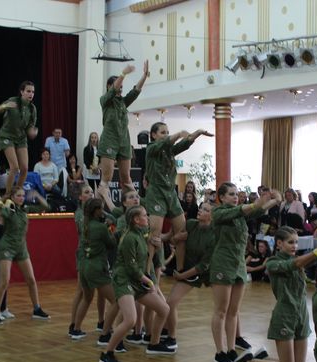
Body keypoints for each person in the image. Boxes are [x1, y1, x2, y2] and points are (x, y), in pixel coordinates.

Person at [236, 228, 317, 362]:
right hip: (285, 315)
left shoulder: (299, 260)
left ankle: (262, 357)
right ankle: (248, 361)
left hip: (301, 315)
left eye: (296, 242)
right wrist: (316, 252)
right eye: (291, 242)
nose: (295, 246)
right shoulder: (273, 263)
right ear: (279, 243)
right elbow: (295, 264)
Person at [210, 183, 281, 362]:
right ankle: (219, 351)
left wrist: (275, 200)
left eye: (236, 194)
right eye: (231, 194)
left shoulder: (241, 214)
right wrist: (258, 202)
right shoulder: (218, 212)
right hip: (223, 263)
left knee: (233, 311)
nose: (235, 197)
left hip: (239, 265)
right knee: (221, 311)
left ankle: (231, 349)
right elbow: (248, 208)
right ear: (222, 197)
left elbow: (258, 209)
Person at [98, 205, 173, 362]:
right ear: (136, 220)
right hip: (124, 280)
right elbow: (131, 268)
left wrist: (164, 238)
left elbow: (154, 236)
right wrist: (150, 282)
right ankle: (107, 353)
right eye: (145, 215)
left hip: (137, 280)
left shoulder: (141, 232)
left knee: (164, 309)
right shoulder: (129, 238)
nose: (148, 218)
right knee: (130, 320)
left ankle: (154, 344)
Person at [145, 123, 213, 277]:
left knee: (182, 233)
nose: (166, 135)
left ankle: (180, 270)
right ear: (153, 135)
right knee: (154, 234)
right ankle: (147, 271)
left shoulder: (169, 150)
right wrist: (178, 133)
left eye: (167, 132)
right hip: (156, 193)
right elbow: (167, 142)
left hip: (171, 193)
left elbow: (185, 144)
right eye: (163, 132)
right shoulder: (151, 149)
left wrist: (198, 132)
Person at [0, 187, 51, 325]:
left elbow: (45, 207)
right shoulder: (8, 208)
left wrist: (37, 195)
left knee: (31, 279)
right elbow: (0, 216)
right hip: (7, 247)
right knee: (4, 281)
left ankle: (37, 309)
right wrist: (5, 202)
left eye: (23, 195)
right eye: (18, 195)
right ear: (12, 197)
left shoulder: (25, 209)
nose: (22, 198)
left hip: (21, 247)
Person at [165, 202, 216, 351]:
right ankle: (171, 337)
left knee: (225, 308)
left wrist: (181, 276)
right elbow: (172, 241)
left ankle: (237, 338)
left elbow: (203, 266)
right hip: (187, 269)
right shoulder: (191, 224)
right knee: (171, 302)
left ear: (212, 216)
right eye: (201, 207)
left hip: (208, 272)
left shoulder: (214, 235)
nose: (200, 210)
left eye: (205, 210)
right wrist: (178, 237)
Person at [99, 61, 149, 194]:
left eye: (122, 87)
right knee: (106, 179)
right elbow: (113, 91)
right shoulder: (105, 100)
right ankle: (99, 205)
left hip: (124, 141)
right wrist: (123, 74)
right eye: (119, 86)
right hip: (109, 140)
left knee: (126, 179)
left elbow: (135, 91)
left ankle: (136, 205)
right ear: (109, 86)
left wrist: (144, 76)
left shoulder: (123, 102)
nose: (121, 88)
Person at [71, 198, 117, 340]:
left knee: (87, 298)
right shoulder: (101, 227)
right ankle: (106, 332)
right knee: (116, 300)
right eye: (101, 208)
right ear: (96, 211)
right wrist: (111, 228)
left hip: (84, 266)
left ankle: (76, 329)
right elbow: (112, 243)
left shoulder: (86, 224)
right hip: (97, 267)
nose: (103, 211)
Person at [0, 81, 38, 194]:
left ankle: (17, 193)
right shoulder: (13, 101)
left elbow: (30, 126)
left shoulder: (32, 109)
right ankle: (7, 194)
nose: (31, 94)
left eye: (32, 92)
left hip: (21, 138)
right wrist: (4, 106)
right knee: (15, 167)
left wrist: (32, 131)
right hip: (6, 136)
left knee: (25, 168)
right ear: (22, 92)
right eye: (28, 91)